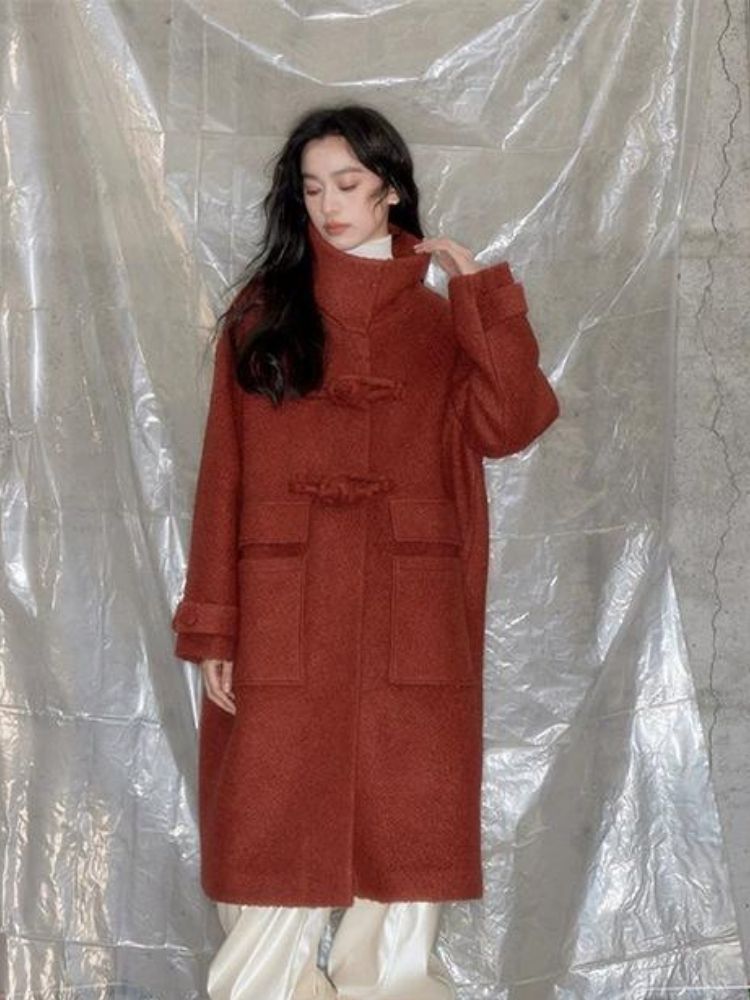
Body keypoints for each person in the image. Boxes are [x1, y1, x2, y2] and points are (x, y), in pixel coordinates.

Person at [171, 103, 560, 999]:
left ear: (390, 188)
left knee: (404, 827)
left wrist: (482, 298)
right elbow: (222, 479)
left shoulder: (439, 322)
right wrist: (216, 626)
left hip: (409, 607)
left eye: (347, 184)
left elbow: (512, 423)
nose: (329, 205)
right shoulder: (264, 317)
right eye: (312, 188)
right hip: (284, 605)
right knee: (272, 827)